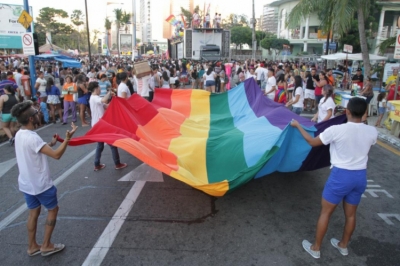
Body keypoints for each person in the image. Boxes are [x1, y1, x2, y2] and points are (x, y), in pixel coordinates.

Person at [290, 97, 378, 259]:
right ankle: (343, 245)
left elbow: (312, 142)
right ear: (365, 113)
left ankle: (316, 248)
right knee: (351, 215)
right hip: (360, 177)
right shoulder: (372, 131)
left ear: (347, 111)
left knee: (326, 213)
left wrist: (298, 126)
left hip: (341, 176)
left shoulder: (336, 130)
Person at [11, 101, 78, 257]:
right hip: (41, 185)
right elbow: (56, 155)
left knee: (33, 213)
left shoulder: (20, 134)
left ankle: (32, 246)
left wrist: (51, 143)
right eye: (35, 113)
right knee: (53, 210)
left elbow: (35, 150)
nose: (38, 114)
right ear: (30, 119)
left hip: (27, 184)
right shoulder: (32, 137)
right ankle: (46, 245)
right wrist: (68, 139)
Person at [88, 82, 128, 171]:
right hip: (100, 125)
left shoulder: (96, 98)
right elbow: (103, 100)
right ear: (96, 88)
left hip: (98, 125)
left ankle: (97, 164)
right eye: (99, 88)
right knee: (112, 144)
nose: (100, 89)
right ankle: (117, 163)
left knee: (100, 146)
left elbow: (106, 106)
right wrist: (109, 92)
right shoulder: (94, 98)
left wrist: (114, 99)